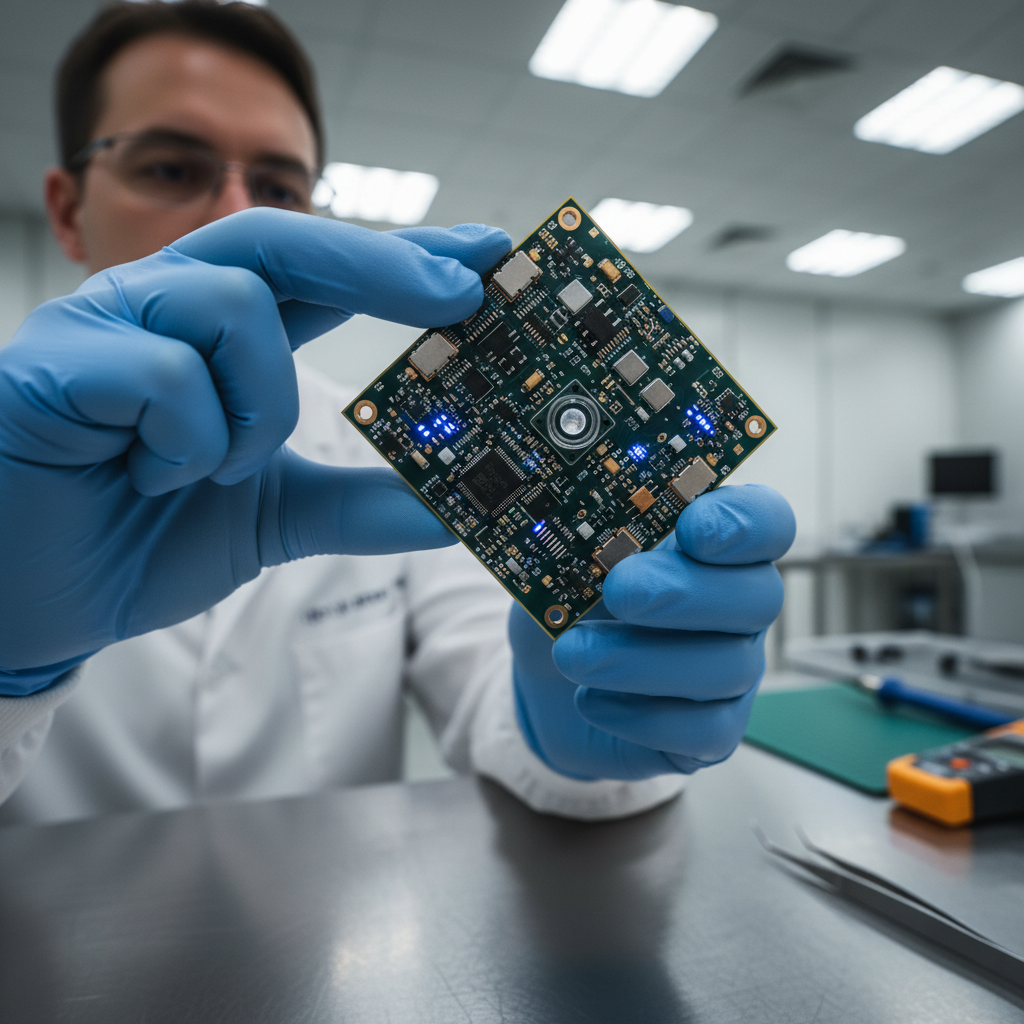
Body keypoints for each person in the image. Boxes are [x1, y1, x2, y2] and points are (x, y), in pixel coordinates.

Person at [0, 1, 795, 826]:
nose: (237, 210)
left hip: (330, 942)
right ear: (65, 208)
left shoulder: (410, 448)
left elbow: (496, 700)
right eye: (170, 167)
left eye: (277, 185)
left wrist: (574, 711)